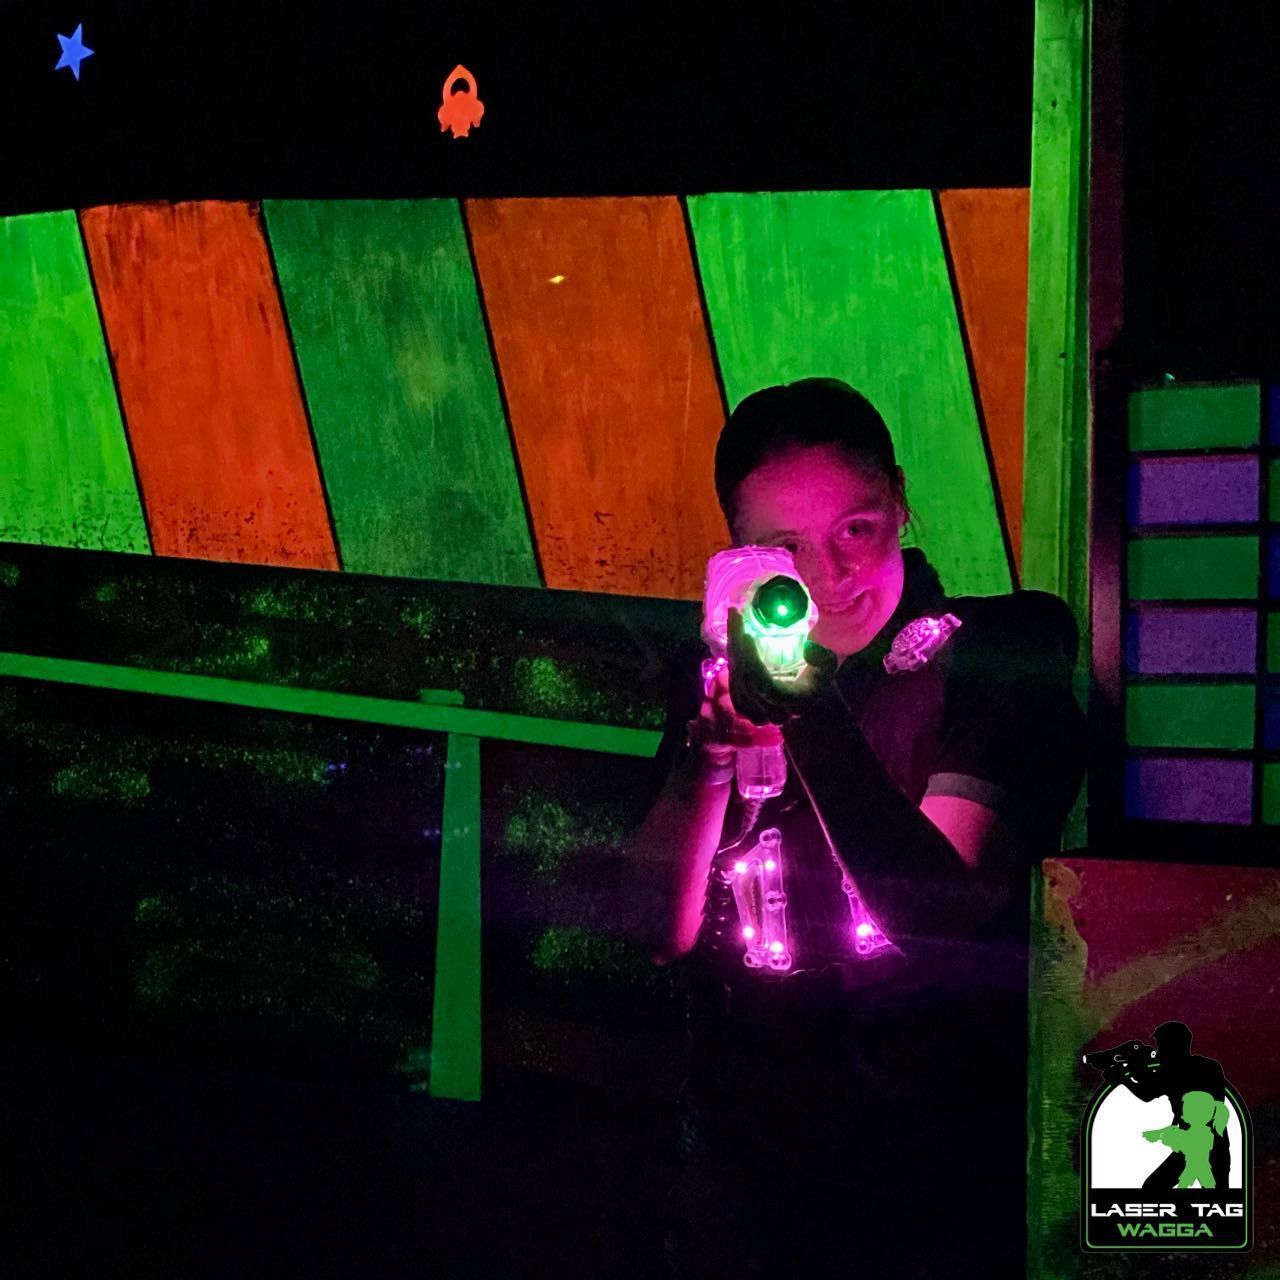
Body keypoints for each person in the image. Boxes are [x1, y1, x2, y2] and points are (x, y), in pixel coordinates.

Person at [626, 378, 1089, 1279]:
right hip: (746, 1173)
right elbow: (656, 930)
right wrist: (711, 757)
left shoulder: (996, 649)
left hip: (936, 1184)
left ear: (902, 501)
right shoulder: (719, 674)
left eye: (857, 528)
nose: (831, 576)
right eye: (783, 549)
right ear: (739, 560)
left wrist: (811, 713)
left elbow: (942, 917)